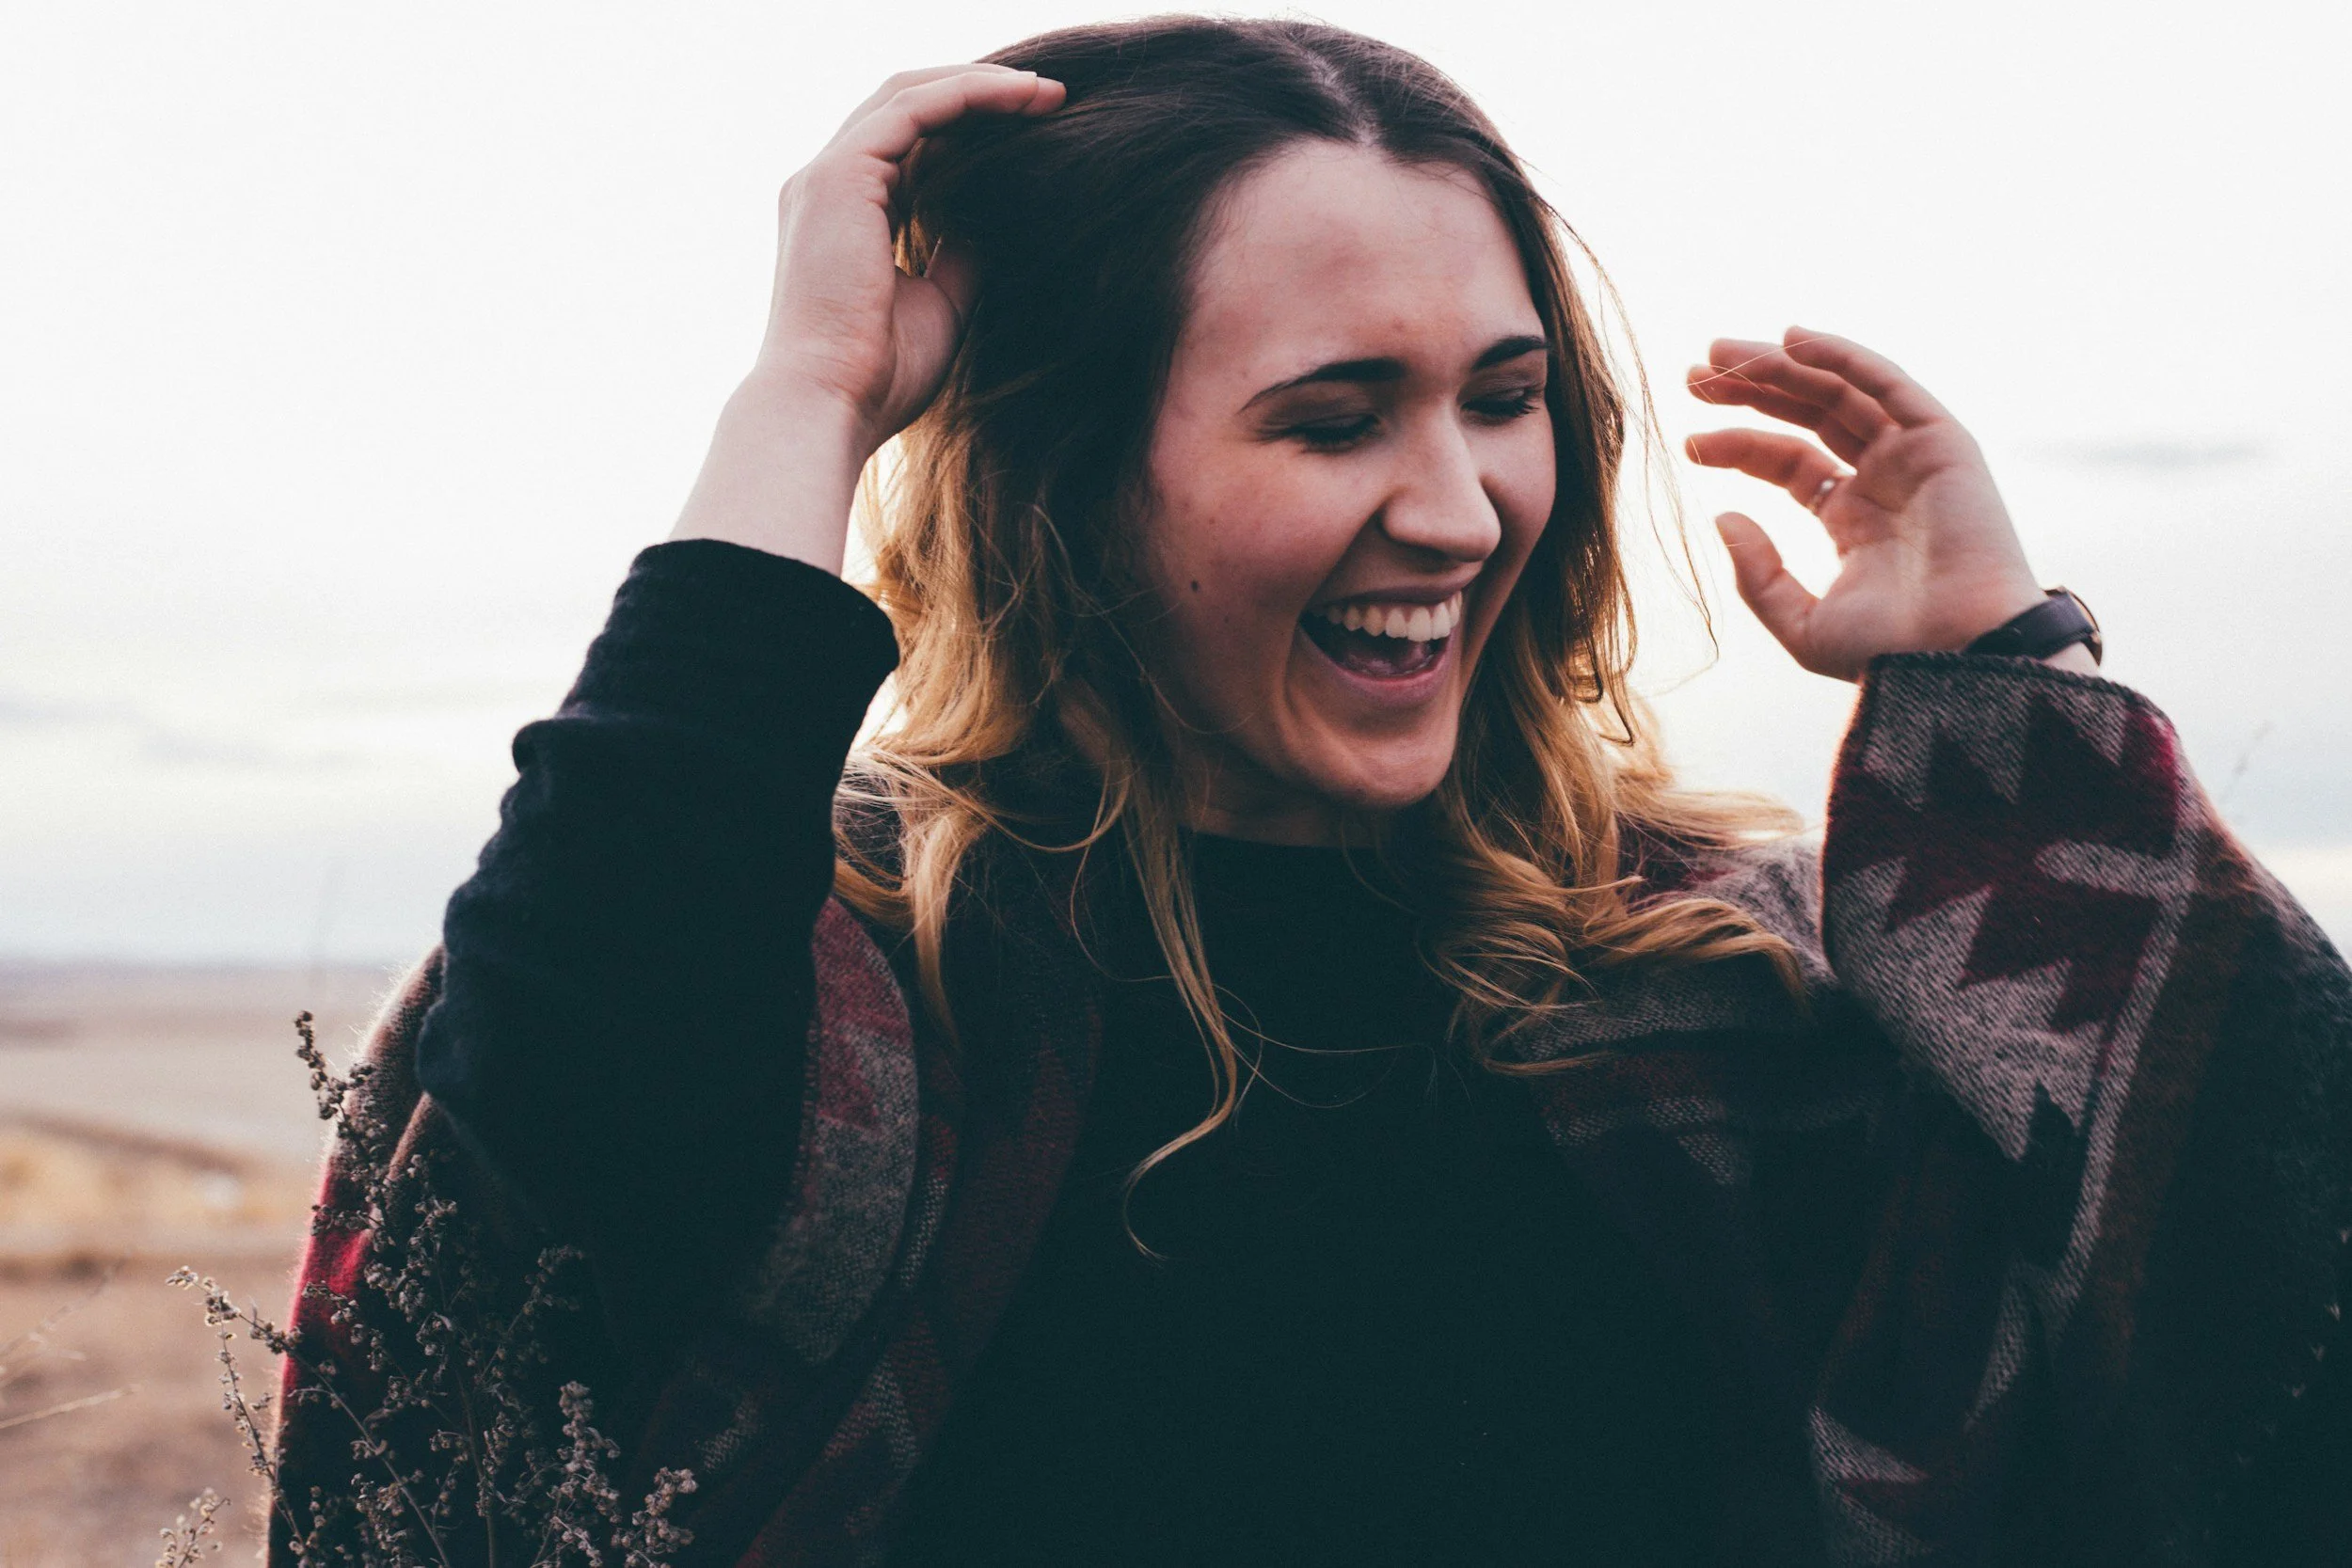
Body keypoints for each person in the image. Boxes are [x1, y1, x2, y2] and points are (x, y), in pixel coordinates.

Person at [271, 17, 2352, 1565]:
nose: (1454, 508)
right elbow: (541, 1151)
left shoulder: (1726, 993)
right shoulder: (859, 988)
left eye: (1505, 397)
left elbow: (2257, 1284)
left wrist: (2004, 703)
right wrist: (804, 396)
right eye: (1332, 417)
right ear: (1078, 479)